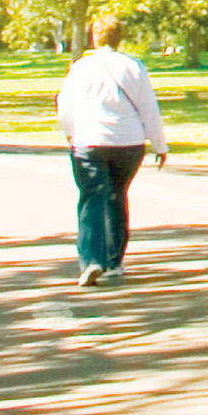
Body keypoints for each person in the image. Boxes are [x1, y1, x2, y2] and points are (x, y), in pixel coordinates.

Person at [56, 15, 168, 287]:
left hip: (90, 141)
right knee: (117, 195)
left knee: (92, 198)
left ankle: (92, 259)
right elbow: (148, 109)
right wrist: (159, 144)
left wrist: (71, 133)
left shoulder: (80, 67)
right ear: (120, 38)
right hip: (127, 142)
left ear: (94, 37)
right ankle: (114, 260)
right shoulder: (134, 67)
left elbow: (65, 105)